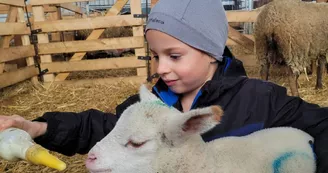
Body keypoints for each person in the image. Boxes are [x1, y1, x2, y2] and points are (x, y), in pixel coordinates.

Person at [1, 0, 328, 172]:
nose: (161, 68)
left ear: (212, 52)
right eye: (155, 55)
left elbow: (321, 130)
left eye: (174, 55)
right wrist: (37, 126)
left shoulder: (261, 100)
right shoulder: (154, 102)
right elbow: (104, 128)